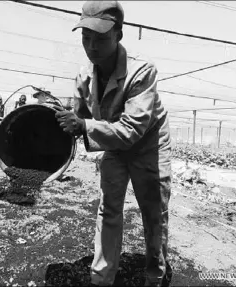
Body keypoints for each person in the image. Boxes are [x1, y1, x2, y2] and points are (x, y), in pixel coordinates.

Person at [54, 1, 172, 286]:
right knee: (108, 209)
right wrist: (60, 120)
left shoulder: (142, 72)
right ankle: (101, 277)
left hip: (148, 146)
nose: (92, 47)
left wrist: (83, 125)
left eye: (101, 38)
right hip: (115, 149)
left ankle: (154, 275)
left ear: (119, 34)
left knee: (153, 213)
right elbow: (80, 118)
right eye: (86, 38)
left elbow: (132, 130)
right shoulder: (84, 77)